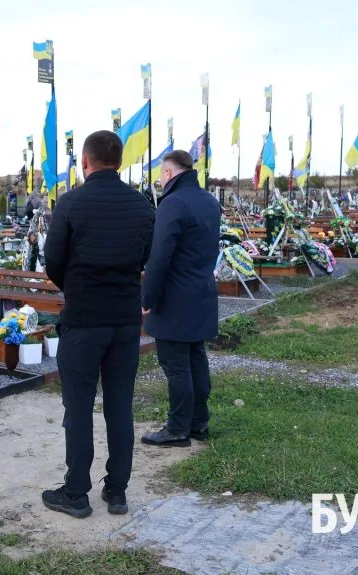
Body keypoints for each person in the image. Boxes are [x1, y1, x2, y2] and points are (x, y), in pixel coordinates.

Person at [40, 131, 155, 518]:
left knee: (78, 408)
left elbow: (53, 260)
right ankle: (117, 490)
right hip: (124, 320)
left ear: (85, 162)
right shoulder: (141, 206)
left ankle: (76, 492)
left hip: (84, 318)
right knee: (120, 406)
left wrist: (76, 286)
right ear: (119, 162)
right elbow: (146, 255)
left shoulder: (71, 203)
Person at [141, 150, 221, 447]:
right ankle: (199, 421)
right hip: (201, 291)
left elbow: (160, 256)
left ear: (168, 173)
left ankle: (177, 428)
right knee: (196, 359)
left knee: (176, 366)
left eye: (161, 175)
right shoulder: (209, 201)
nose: (160, 181)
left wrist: (147, 297)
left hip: (175, 297)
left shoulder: (172, 203)